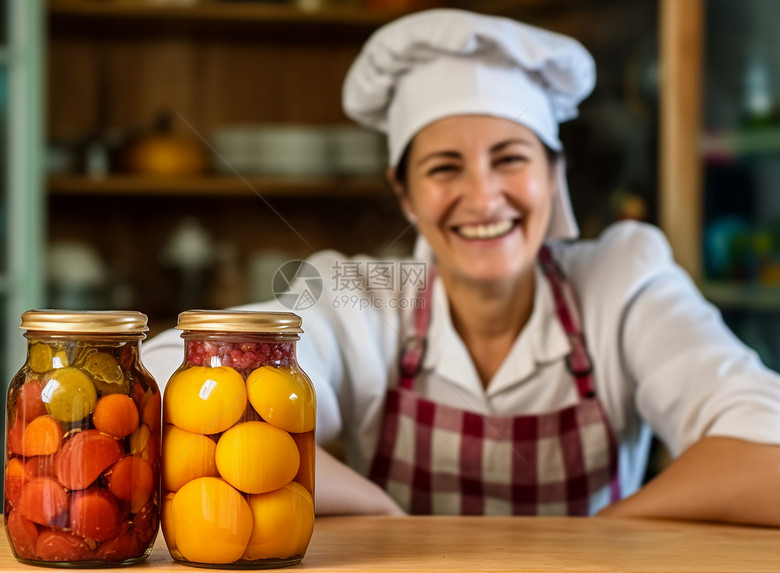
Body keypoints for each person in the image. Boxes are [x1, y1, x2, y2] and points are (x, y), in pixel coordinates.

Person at [143, 9, 780, 523]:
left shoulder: (623, 284)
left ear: (553, 173)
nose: (482, 197)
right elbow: (178, 384)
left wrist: (608, 537)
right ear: (405, 193)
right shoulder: (360, 299)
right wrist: (378, 513)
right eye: (444, 167)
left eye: (510, 159)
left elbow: (769, 447)